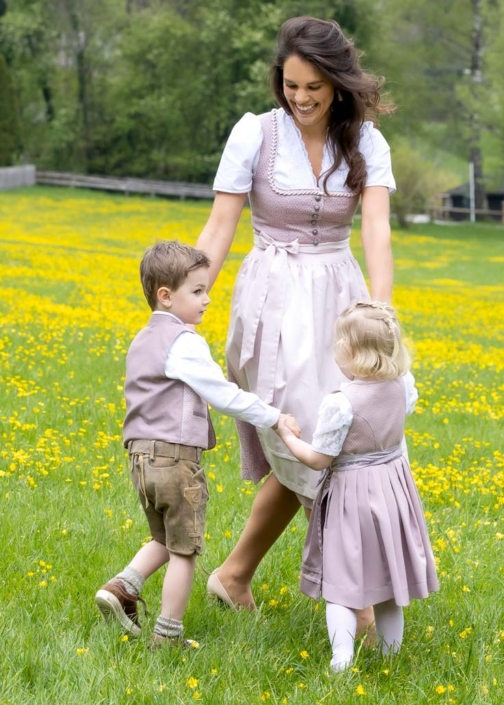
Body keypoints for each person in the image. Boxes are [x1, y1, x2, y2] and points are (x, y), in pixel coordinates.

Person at [197, 16, 396, 636]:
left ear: (337, 84)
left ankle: (233, 575)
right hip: (273, 302)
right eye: (291, 85)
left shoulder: (366, 141)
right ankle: (357, 603)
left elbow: (377, 231)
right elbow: (221, 225)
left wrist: (379, 314)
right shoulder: (254, 134)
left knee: (335, 441)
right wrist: (182, 303)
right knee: (304, 439)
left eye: (314, 86)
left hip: (340, 297)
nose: (301, 98)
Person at [94, 240, 299, 648]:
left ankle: (122, 588)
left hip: (140, 457)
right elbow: (223, 394)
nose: (208, 300)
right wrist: (274, 417)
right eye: (198, 291)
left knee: (163, 540)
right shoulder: (183, 342)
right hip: (174, 458)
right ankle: (168, 635)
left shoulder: (142, 340)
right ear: (166, 296)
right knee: (185, 551)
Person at [275, 301, 439, 671]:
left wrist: (287, 435)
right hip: (394, 491)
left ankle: (342, 657)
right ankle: (390, 657)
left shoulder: (341, 402)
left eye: (338, 343)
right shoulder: (401, 387)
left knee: (342, 583)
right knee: (388, 583)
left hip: (353, 497)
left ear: (350, 352)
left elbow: (319, 458)